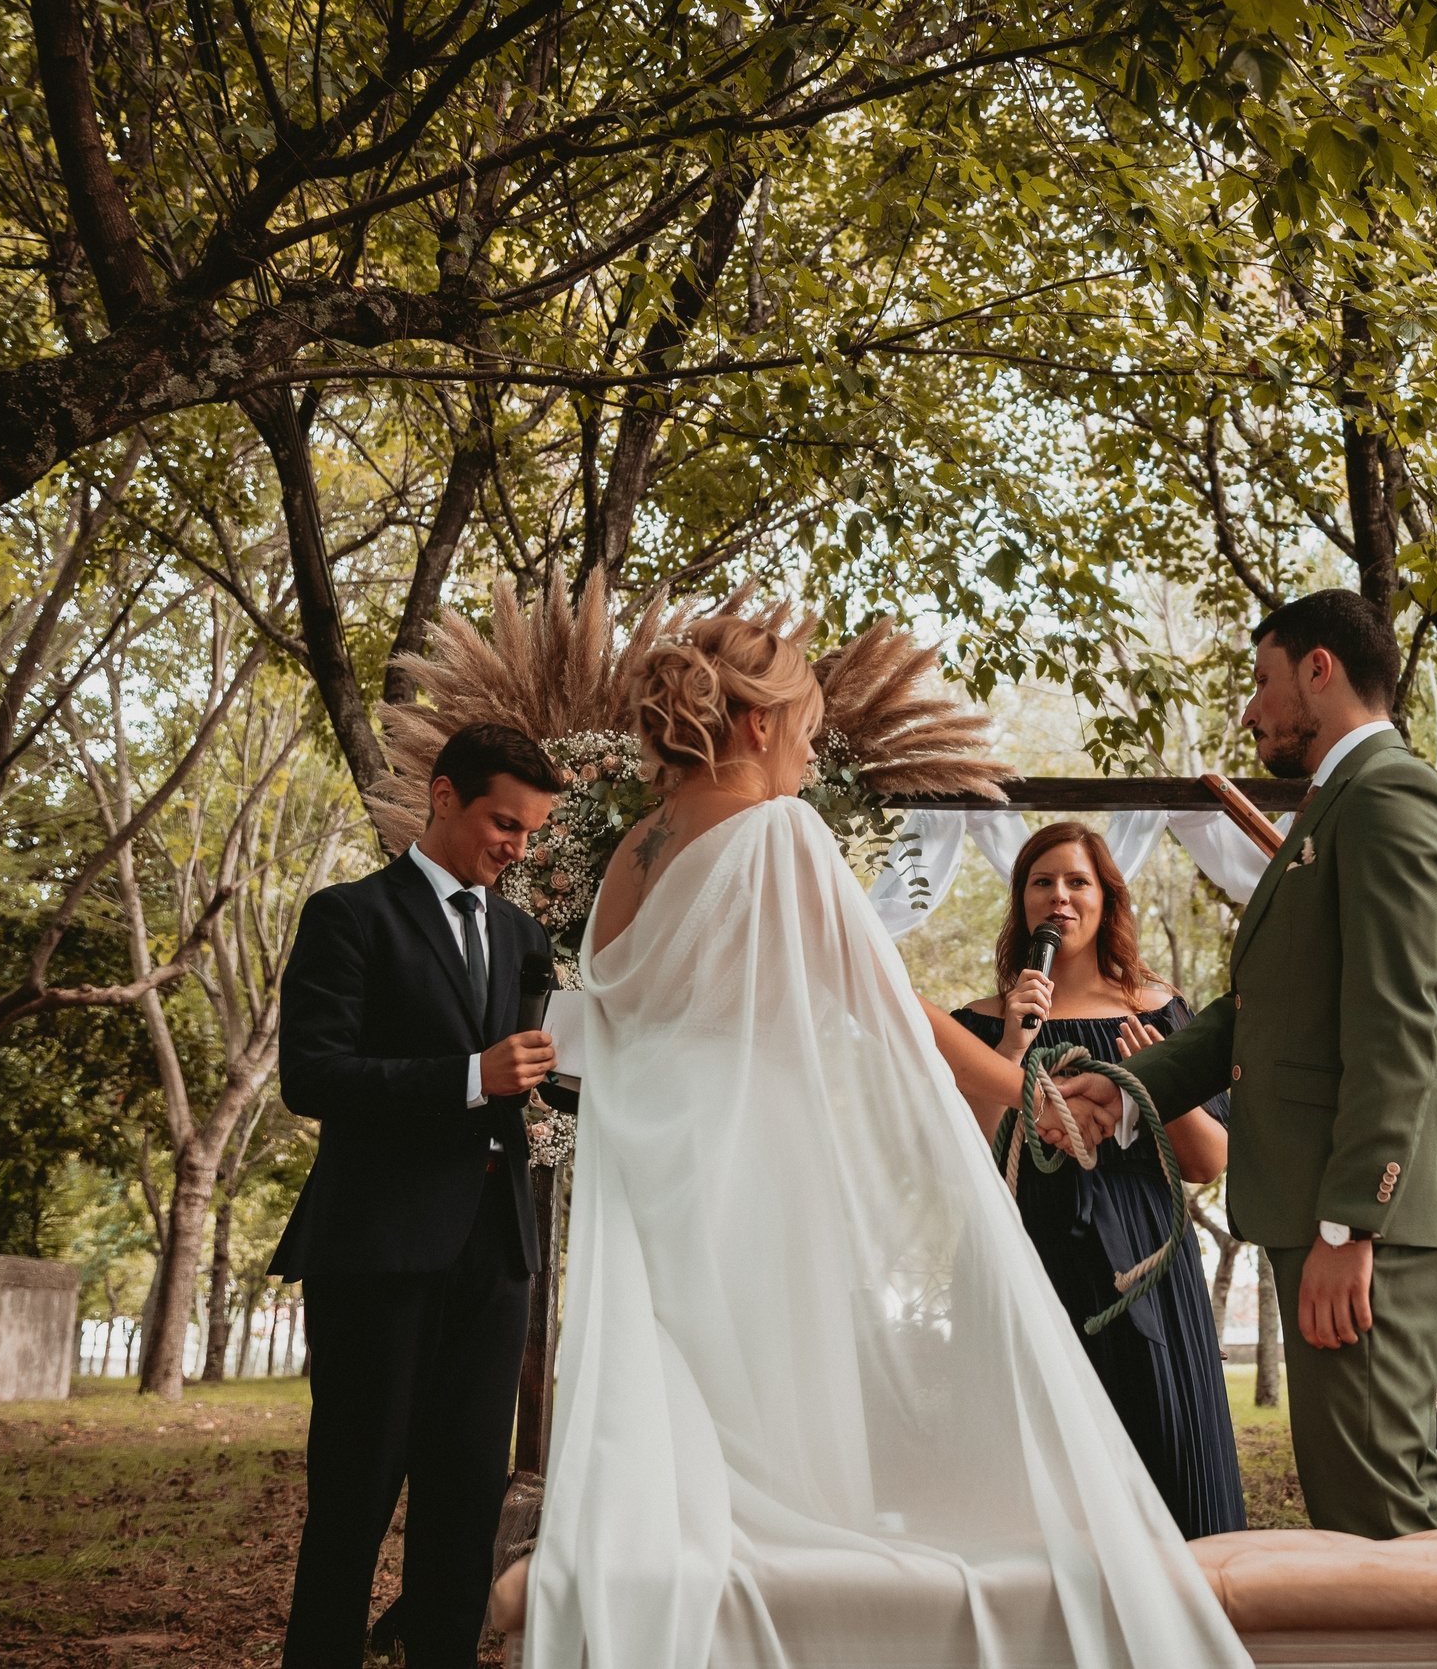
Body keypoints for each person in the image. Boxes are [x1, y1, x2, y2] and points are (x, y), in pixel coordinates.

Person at [513, 601, 1247, 1668]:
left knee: (701, 1437)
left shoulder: (631, 852)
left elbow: (612, 1021)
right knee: (789, 1444)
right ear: (757, 725)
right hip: (759, 1181)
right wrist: (1032, 1093)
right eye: (808, 721)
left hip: (659, 1186)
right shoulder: (777, 832)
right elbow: (887, 1002)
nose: (815, 746)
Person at [1054, 589, 1437, 1540]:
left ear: (1319, 669)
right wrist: (1124, 1092)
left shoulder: (1392, 797)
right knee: (1359, 1513)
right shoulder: (1341, 808)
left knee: (1383, 1520)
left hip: (1371, 1221)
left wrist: (1348, 1224)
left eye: (1262, 680)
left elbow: (1399, 1025)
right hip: (1336, 1218)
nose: (1251, 709)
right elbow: (1253, 1020)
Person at [271, 721, 564, 1669]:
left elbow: (542, 1073)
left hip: (497, 1254)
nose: (517, 847)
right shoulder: (348, 915)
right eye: (503, 822)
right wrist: (468, 1076)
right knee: (353, 1500)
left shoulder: (527, 936)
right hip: (377, 1252)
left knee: (467, 1503)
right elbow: (312, 1076)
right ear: (444, 797)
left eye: (530, 832)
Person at [947, 821, 1245, 1539]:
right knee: (1036, 1474)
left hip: (1141, 1261)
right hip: (1024, 1255)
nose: (1060, 897)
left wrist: (1160, 1084)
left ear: (1107, 900)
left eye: (1077, 881)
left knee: (1164, 1448)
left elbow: (1208, 1162)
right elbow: (961, 1153)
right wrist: (1013, 1045)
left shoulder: (1161, 1013)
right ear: (1021, 903)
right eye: (1042, 882)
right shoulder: (979, 1025)